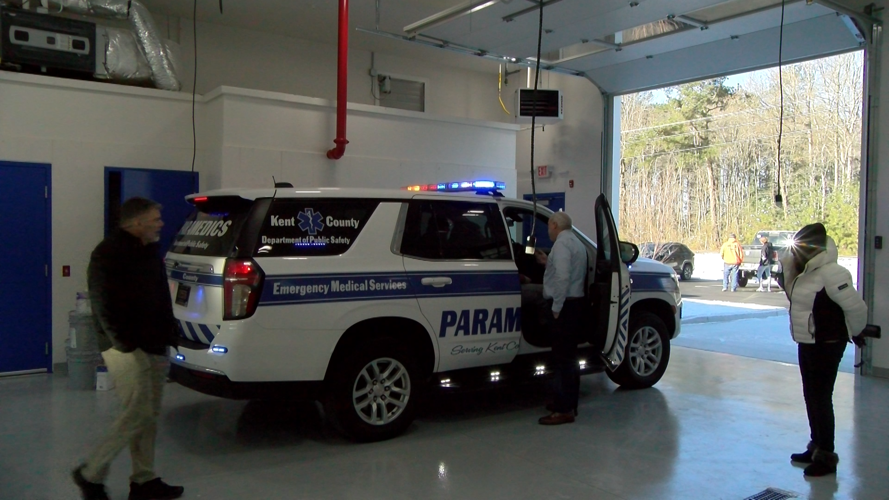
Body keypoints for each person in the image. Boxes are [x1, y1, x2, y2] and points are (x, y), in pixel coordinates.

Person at [73, 198, 184, 500]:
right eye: (155, 218)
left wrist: (170, 333)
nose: (161, 223)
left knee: (150, 415)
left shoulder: (149, 251)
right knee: (137, 413)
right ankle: (90, 473)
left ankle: (144, 481)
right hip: (124, 348)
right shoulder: (107, 253)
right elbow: (102, 303)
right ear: (136, 223)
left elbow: (160, 297)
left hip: (155, 344)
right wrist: (122, 344)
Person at [780, 223, 867, 477]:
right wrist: (788, 264)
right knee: (811, 396)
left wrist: (855, 331)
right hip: (807, 341)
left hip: (828, 344)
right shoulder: (803, 272)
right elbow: (794, 297)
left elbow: (857, 308)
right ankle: (816, 446)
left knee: (821, 398)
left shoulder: (833, 273)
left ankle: (826, 456)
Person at [534, 211, 587, 426]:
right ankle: (568, 403)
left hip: (565, 306)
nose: (548, 230)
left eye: (549, 226)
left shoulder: (562, 245)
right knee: (570, 358)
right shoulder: (575, 243)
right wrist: (548, 262)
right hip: (575, 304)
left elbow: (563, 278)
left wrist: (556, 308)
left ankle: (563, 410)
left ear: (555, 225)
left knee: (562, 359)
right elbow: (567, 271)